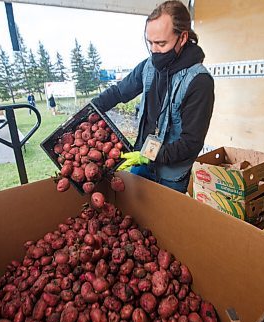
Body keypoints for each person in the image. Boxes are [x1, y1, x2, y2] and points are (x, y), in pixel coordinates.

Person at [91, 0, 214, 193]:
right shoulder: (148, 67)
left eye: (161, 43)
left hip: (171, 174)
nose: (154, 50)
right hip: (141, 161)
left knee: (162, 221)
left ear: (182, 38)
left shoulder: (199, 81)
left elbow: (191, 143)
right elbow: (119, 92)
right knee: (132, 215)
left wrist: (149, 154)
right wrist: (90, 109)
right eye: (150, 43)